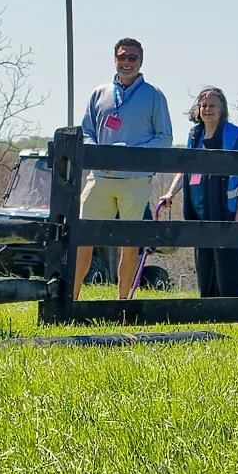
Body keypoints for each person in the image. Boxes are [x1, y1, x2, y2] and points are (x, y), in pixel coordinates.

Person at [75, 38, 173, 300]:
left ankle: (123, 305)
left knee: (128, 245)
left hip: (136, 180)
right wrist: (98, 155)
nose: (126, 62)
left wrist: (132, 157)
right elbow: (86, 132)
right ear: (114, 59)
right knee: (82, 240)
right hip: (100, 178)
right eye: (122, 57)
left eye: (132, 58)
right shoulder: (99, 93)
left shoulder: (154, 96)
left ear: (141, 62)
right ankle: (68, 302)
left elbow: (164, 138)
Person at [156, 86, 238, 298]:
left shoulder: (237, 137)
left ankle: (232, 313)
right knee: (205, 263)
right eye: (203, 105)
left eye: (212, 105)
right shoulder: (195, 135)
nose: (207, 109)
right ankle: (208, 311)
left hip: (230, 211)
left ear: (222, 109)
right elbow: (185, 168)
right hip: (200, 212)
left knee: (228, 263)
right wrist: (171, 193)